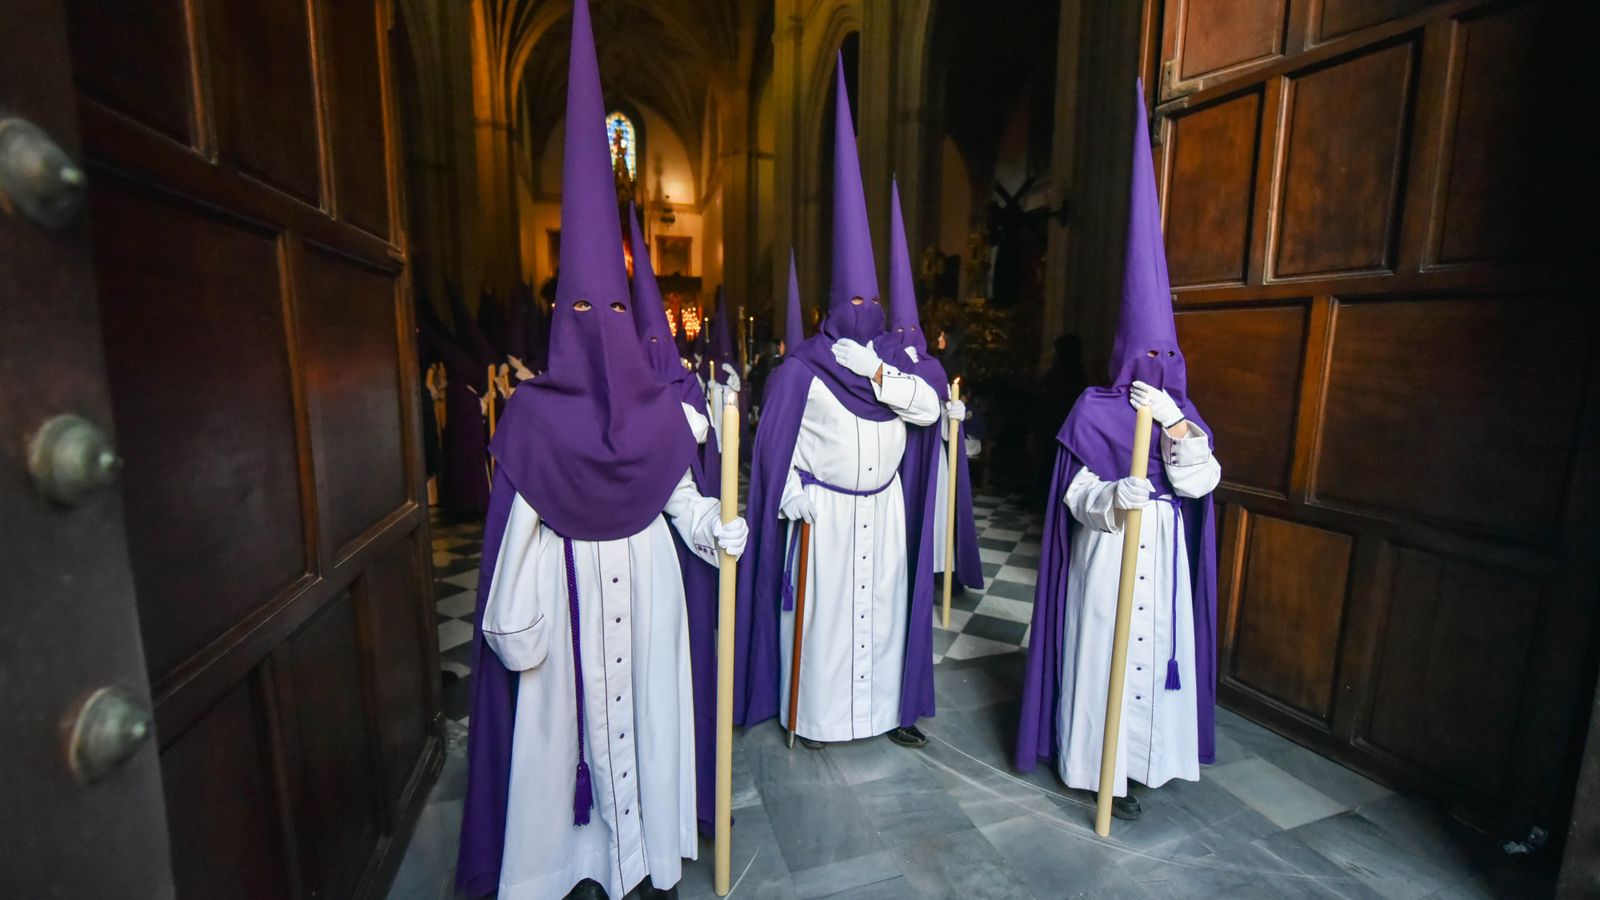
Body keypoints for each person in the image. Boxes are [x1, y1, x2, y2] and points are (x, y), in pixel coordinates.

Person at [454, 3, 748, 897]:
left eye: (612, 314)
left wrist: (713, 529)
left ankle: (643, 858)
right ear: (556, 321)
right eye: (582, 313)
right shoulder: (535, 420)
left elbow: (676, 497)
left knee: (649, 718)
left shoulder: (659, 410)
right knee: (559, 742)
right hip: (566, 603)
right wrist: (514, 610)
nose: (599, 330)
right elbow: (514, 537)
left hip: (650, 595)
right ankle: (567, 866)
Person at [1015, 82, 1221, 821]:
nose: (1158, 366)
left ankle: (1142, 765)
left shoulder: (1181, 412)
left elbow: (1202, 484)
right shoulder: (1093, 409)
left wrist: (1174, 427)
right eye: (1148, 354)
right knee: (1102, 650)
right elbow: (1070, 495)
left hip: (1162, 558)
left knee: (1158, 651)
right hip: (1107, 558)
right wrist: (1110, 498)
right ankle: (1095, 763)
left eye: (1170, 355)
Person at [734, 55, 941, 750]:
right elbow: (777, 457)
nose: (865, 312)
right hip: (825, 516)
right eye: (853, 302)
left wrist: (880, 378)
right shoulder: (799, 372)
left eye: (872, 302)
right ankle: (817, 718)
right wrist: (793, 495)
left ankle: (884, 713)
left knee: (880, 615)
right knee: (825, 624)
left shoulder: (888, 365)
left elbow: (929, 411)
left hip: (881, 512)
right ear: (829, 306)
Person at [626, 202, 722, 837]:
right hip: (584, 581)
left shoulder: (684, 393)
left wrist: (717, 525)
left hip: (660, 571)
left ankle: (668, 820)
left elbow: (684, 493)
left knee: (660, 702)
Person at [875, 178, 984, 598]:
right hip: (898, 458)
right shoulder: (882, 362)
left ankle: (940, 573)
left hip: (933, 457)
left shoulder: (935, 367)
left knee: (936, 515)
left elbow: (941, 406)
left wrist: (953, 418)